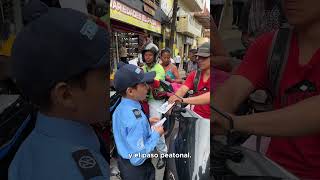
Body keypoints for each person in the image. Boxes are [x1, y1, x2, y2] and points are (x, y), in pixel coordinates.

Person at [213, 0, 320, 179]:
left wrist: (234, 123)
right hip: (273, 170)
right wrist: (215, 114)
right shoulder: (272, 45)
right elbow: (232, 91)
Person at [8, 7, 109, 180]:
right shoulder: (83, 173)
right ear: (66, 96)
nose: (111, 83)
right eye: (105, 76)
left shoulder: (26, 150)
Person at [112, 64, 164, 180]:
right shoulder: (136, 120)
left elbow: (126, 130)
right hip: (138, 170)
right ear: (130, 91)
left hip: (124, 162)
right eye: (143, 84)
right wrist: (156, 135)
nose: (148, 87)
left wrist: (146, 122)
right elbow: (137, 158)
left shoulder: (120, 108)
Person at [141, 42, 168, 169]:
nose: (147, 57)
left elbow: (156, 84)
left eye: (150, 55)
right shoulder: (144, 67)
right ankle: (150, 150)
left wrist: (143, 78)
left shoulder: (158, 68)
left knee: (157, 126)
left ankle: (163, 154)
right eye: (146, 55)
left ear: (155, 56)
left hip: (155, 101)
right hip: (144, 100)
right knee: (145, 125)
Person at [168, 42, 211, 119]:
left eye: (204, 58)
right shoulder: (194, 75)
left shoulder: (220, 76)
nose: (200, 60)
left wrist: (182, 100)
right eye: (198, 57)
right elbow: (182, 90)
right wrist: (173, 100)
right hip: (196, 115)